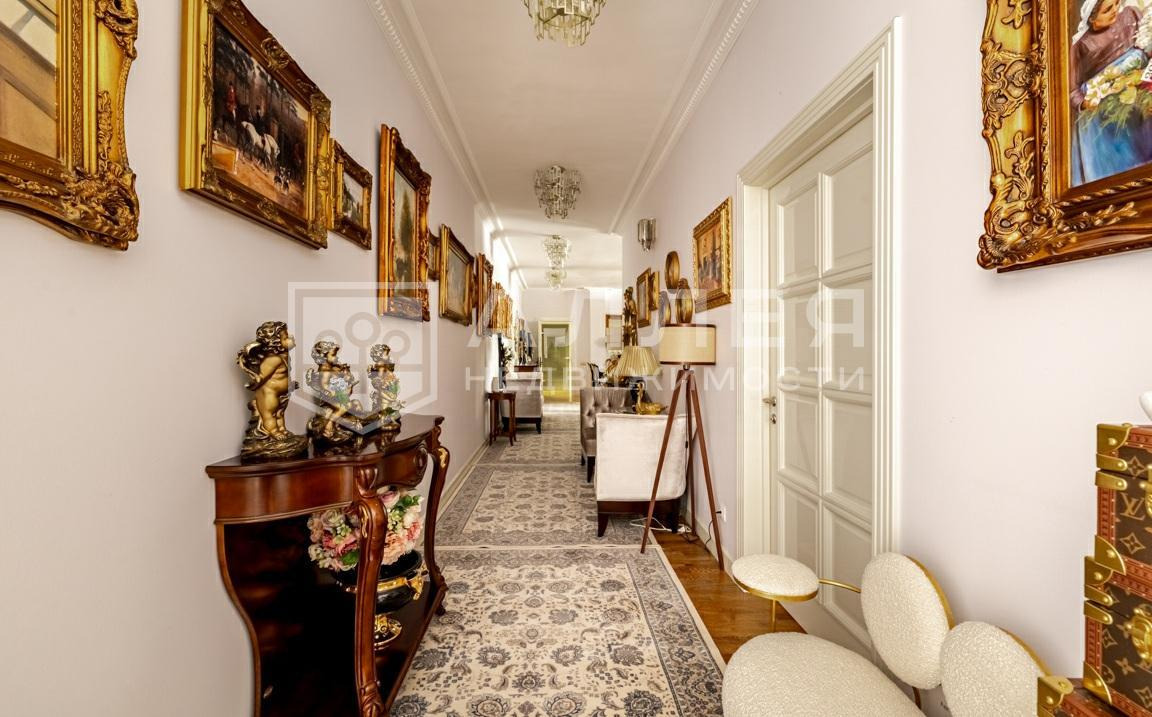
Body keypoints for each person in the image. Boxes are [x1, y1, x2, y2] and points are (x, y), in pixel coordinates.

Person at [1070, 0, 1152, 184]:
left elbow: (1146, 43)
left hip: (1136, 88)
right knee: (1117, 160)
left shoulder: (1130, 14)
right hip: (1102, 110)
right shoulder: (1080, 46)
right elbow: (1072, 90)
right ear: (1092, 19)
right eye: (1107, 10)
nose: (1115, 10)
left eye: (1116, 3)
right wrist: (1084, 103)